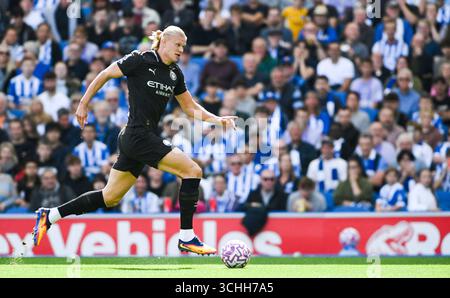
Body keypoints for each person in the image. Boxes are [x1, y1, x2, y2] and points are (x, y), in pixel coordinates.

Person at [32, 26, 236, 255]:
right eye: (178, 44)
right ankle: (187, 236)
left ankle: (51, 215)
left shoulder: (175, 73)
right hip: (137, 135)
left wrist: (217, 119)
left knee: (110, 197)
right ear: (164, 42)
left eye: (184, 46)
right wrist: (83, 103)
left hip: (140, 138)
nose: (181, 49)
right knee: (192, 171)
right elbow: (106, 73)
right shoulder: (140, 60)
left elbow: (189, 107)